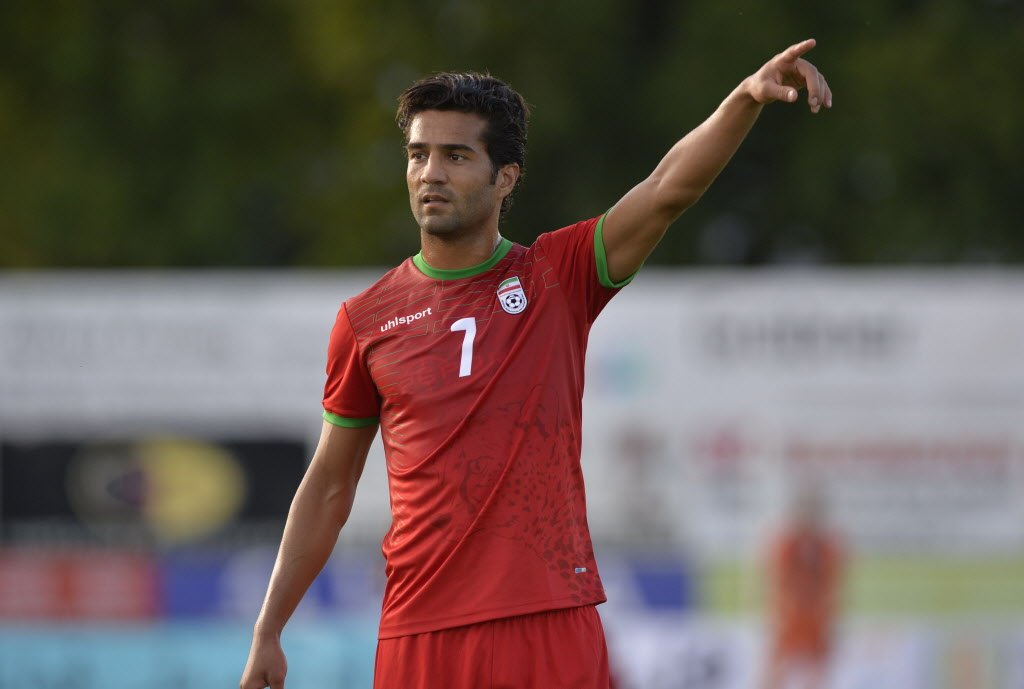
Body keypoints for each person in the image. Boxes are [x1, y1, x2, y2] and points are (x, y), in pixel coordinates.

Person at [240, 39, 832, 689]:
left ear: (506, 177)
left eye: (456, 155)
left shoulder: (556, 276)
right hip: (421, 632)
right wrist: (269, 627)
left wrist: (744, 99)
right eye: (418, 154)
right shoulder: (365, 321)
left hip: (548, 619)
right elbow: (329, 485)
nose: (430, 172)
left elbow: (666, 189)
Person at [761, 484, 845, 689]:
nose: (808, 516)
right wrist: (781, 609)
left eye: (813, 510)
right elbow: (776, 580)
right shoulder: (787, 543)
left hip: (817, 618)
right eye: (804, 509)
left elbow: (833, 584)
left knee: (817, 672)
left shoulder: (827, 545)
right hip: (790, 617)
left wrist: (828, 611)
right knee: (777, 670)